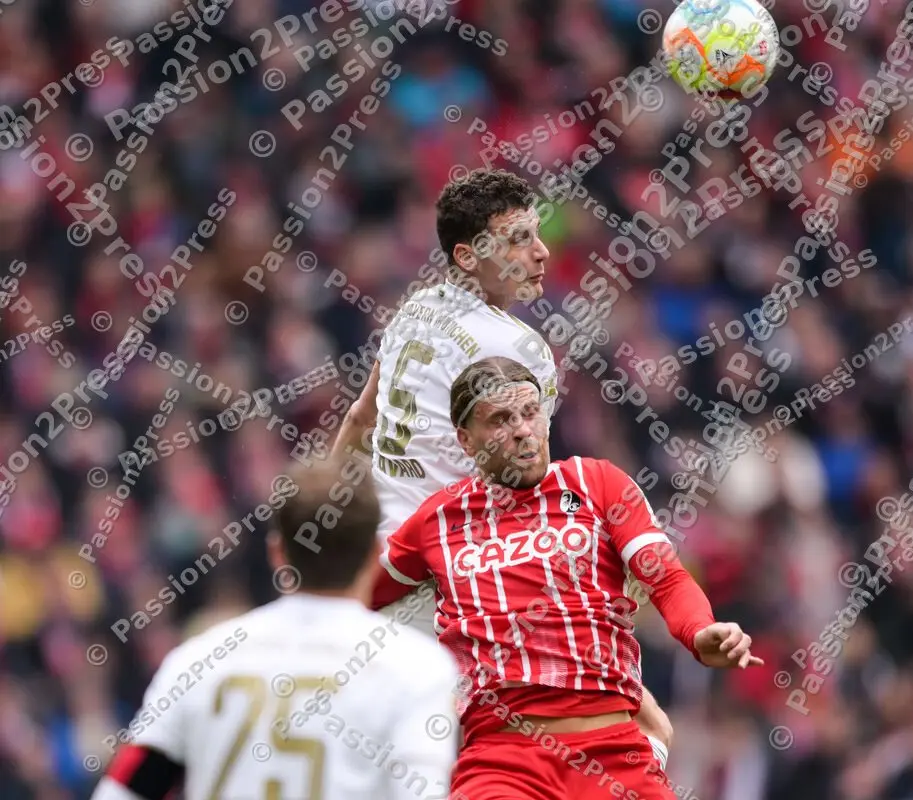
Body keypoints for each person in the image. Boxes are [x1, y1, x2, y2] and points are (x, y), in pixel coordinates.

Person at [332, 167, 676, 768]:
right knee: (628, 728)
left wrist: (324, 522)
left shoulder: (413, 313)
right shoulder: (517, 350)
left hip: (379, 564)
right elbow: (523, 485)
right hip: (443, 581)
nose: (540, 251)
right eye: (517, 238)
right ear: (468, 255)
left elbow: (360, 420)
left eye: (535, 234)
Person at [371, 357, 763, 800]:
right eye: (501, 419)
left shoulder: (598, 483)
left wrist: (699, 631)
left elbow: (666, 577)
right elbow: (347, 592)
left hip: (613, 752)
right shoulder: (437, 521)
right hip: (501, 759)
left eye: (530, 412)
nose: (523, 430)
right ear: (466, 439)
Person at [89, 459, 460, 800]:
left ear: (277, 553)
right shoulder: (417, 670)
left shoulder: (196, 661)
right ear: (374, 554)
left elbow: (122, 791)